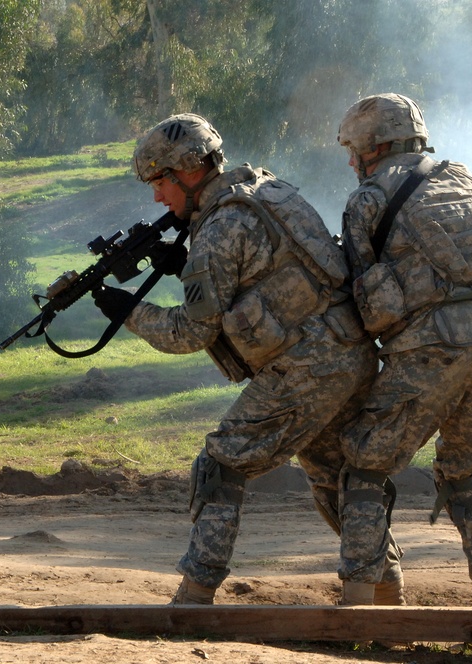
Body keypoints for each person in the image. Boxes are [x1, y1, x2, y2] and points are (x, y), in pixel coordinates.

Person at [92, 113, 404, 605]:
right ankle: (379, 593)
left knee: (221, 463)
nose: (157, 197)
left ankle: (195, 593)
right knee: (333, 477)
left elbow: (188, 333)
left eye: (160, 183)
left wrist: (128, 309)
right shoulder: (267, 189)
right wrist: (186, 266)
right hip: (349, 352)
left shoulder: (218, 228)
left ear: (188, 171)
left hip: (305, 368)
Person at [335, 93, 472, 606]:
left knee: (363, 467)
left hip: (429, 348)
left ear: (374, 147)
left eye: (354, 150)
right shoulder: (470, 182)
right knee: (464, 476)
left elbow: (361, 294)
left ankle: (362, 605)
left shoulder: (368, 200)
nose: (352, 162)